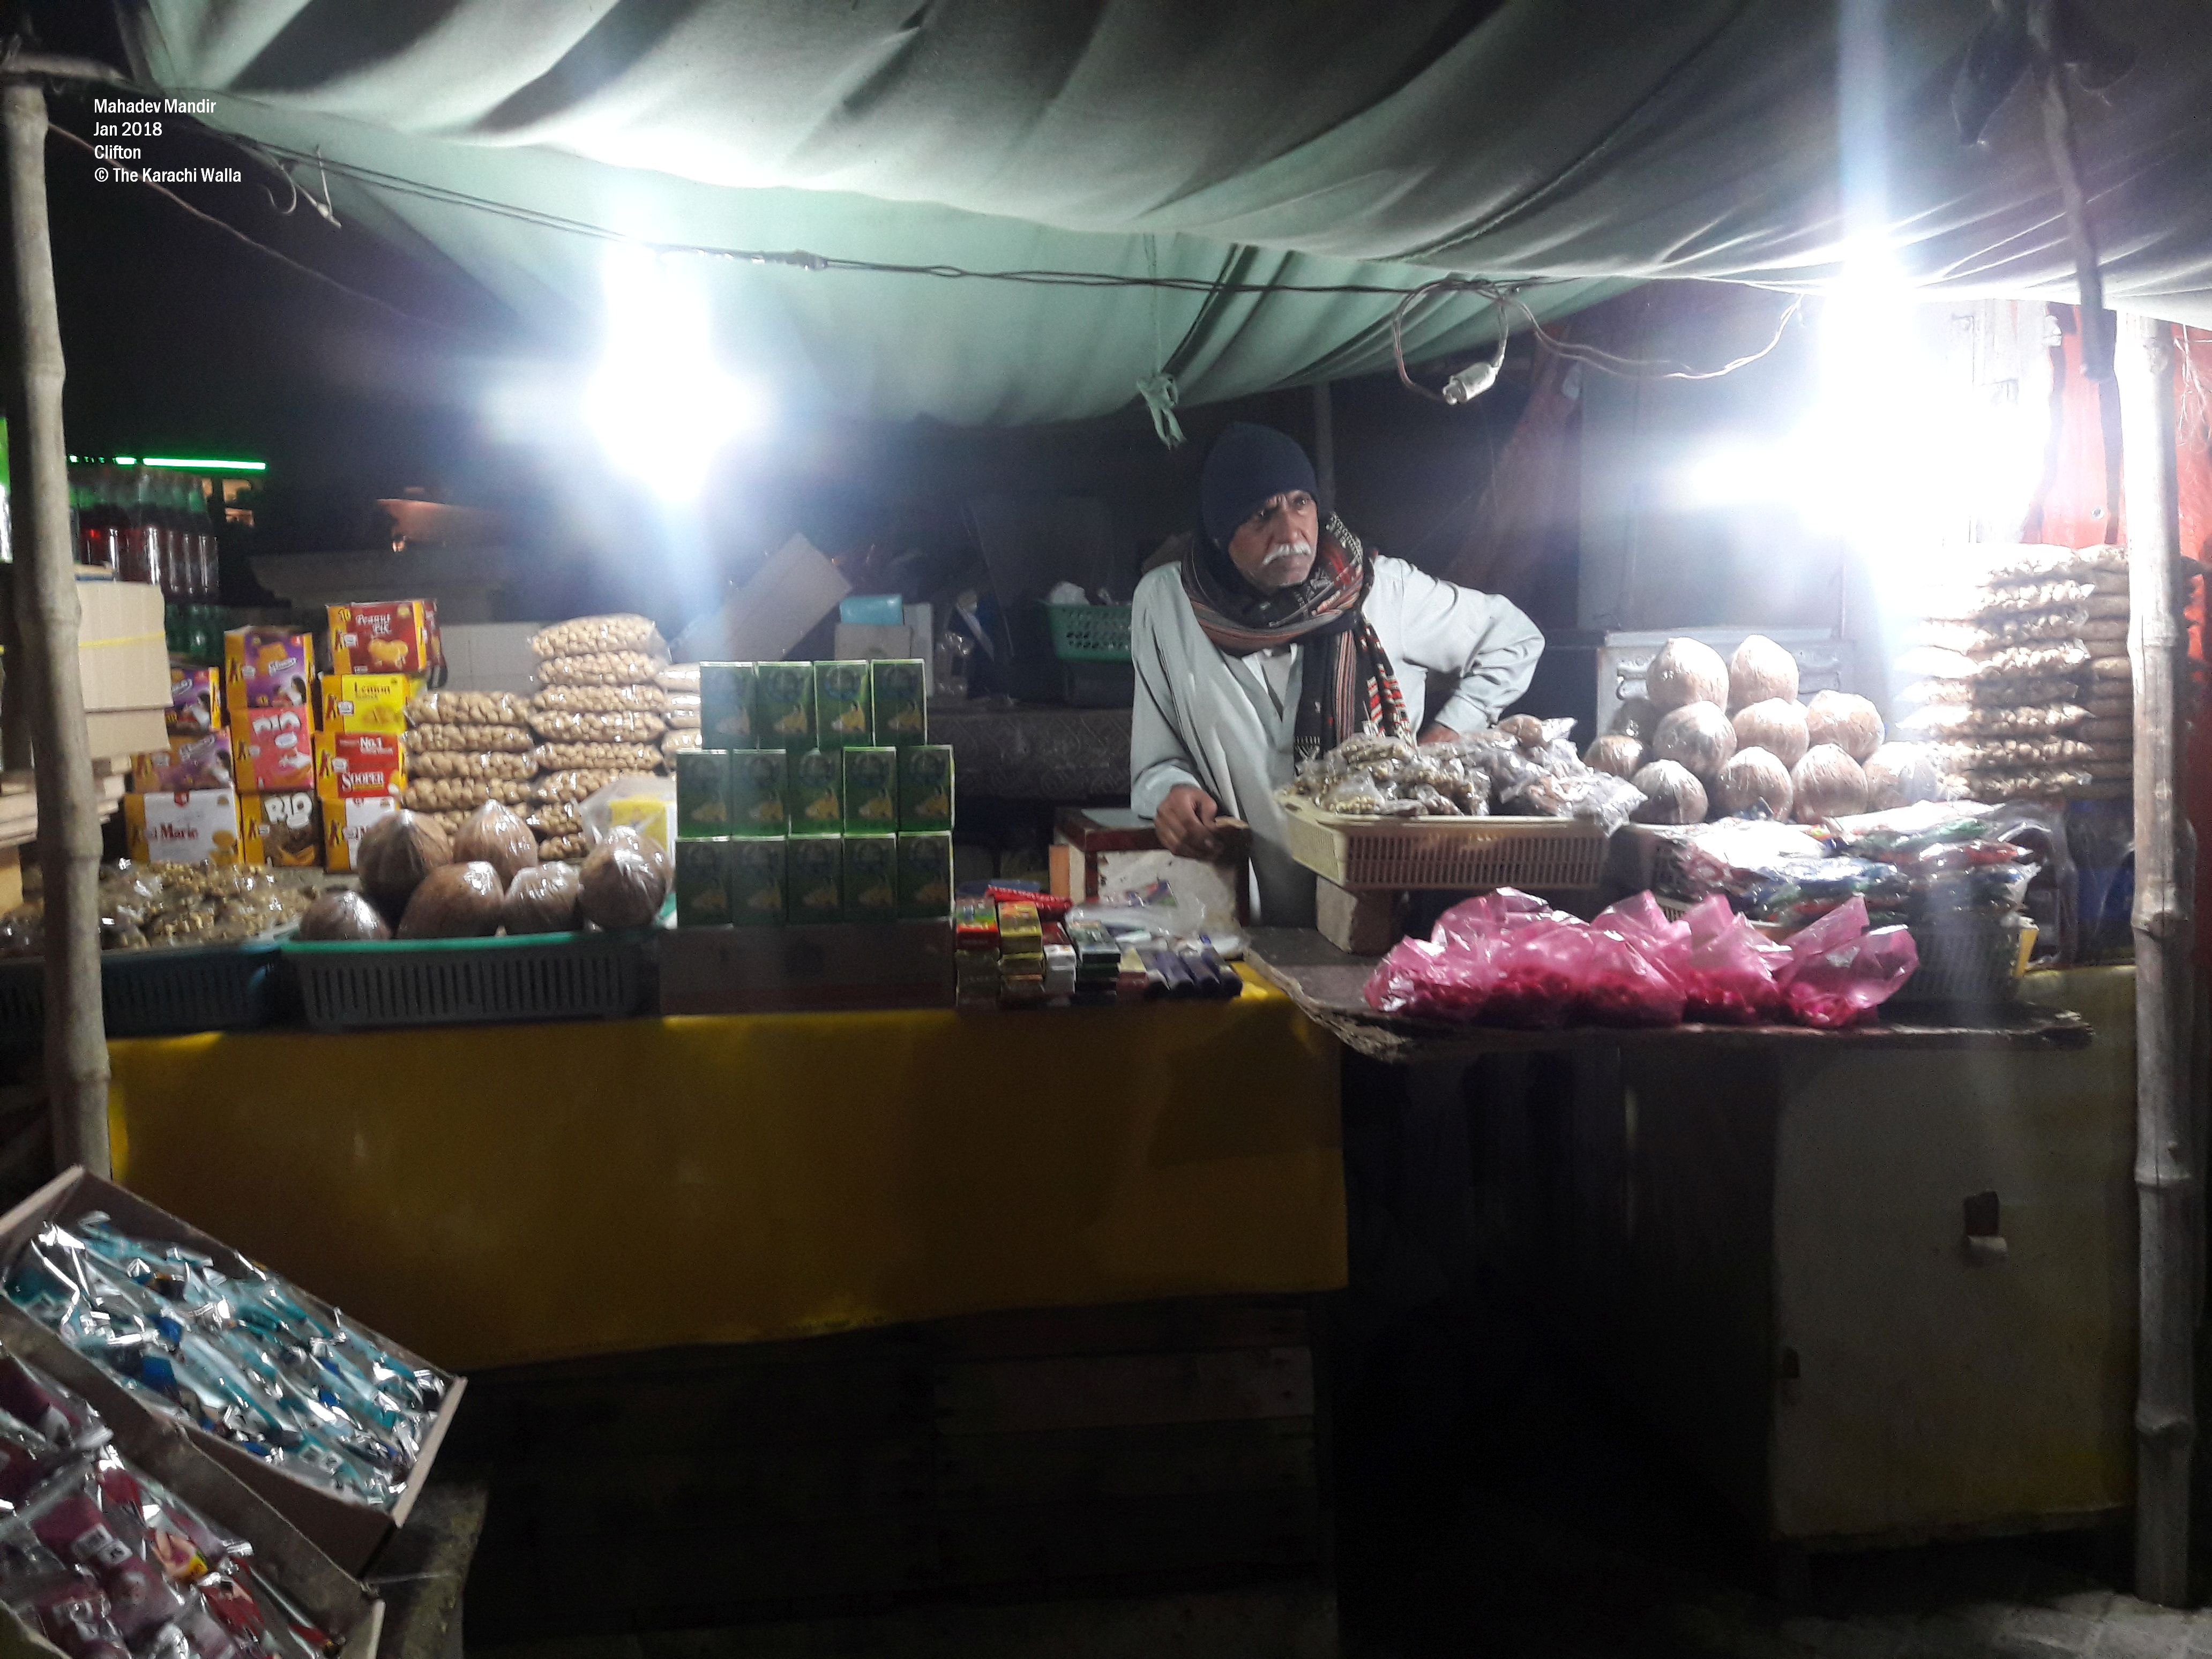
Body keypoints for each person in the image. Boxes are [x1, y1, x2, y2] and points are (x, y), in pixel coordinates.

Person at [1130, 422, 1544, 926]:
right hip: (1246, 912)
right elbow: (1156, 762)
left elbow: (1515, 638)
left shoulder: (1380, 590)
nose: (1291, 534)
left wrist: (1447, 736)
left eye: (1300, 503)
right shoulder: (1168, 605)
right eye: (1262, 515)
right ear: (1220, 534)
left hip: (1376, 907)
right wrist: (1172, 793)